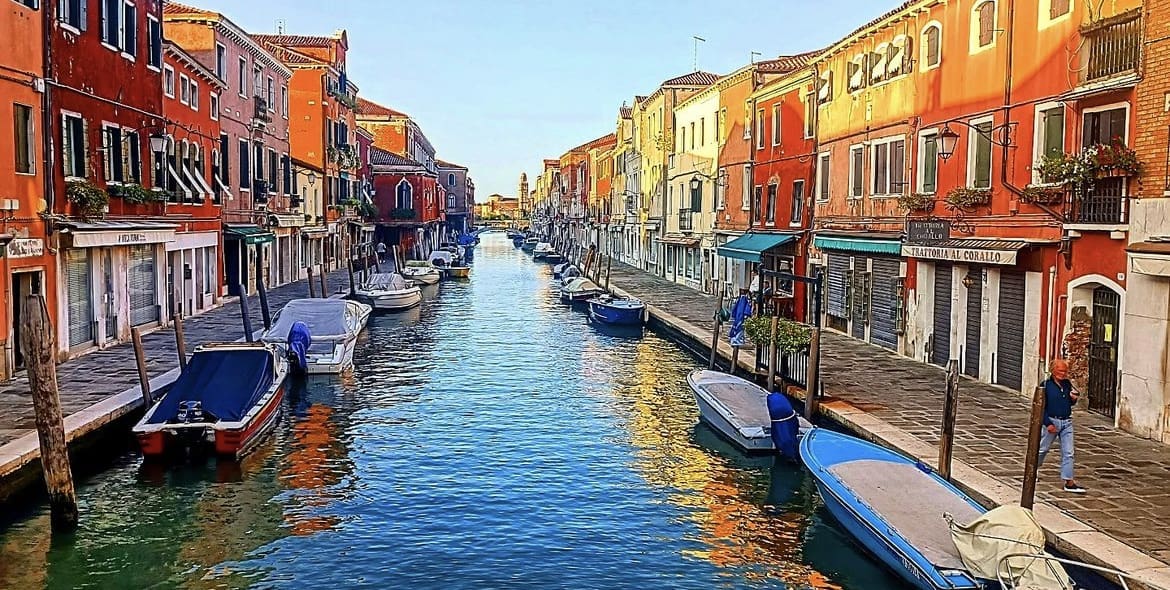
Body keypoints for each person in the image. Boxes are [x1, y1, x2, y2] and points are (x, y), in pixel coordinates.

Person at [1037, 359, 1087, 494]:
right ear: (1053, 371)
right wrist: (1047, 423)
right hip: (1052, 421)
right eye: (1060, 371)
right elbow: (1040, 408)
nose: (1063, 373)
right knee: (1043, 449)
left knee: (1069, 452)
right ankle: (1033, 469)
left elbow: (1068, 403)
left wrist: (1073, 399)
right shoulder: (1045, 385)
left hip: (1066, 422)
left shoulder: (1066, 384)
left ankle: (1069, 482)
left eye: (1065, 371)